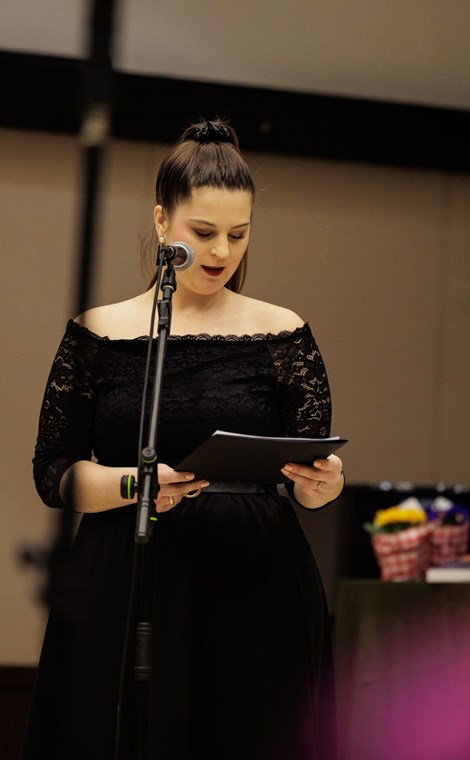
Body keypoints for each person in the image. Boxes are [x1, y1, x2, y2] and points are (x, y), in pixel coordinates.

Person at [22, 118, 344, 760]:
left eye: (238, 234)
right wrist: (135, 484)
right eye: (203, 232)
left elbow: (310, 479)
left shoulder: (283, 333)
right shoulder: (98, 332)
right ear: (162, 221)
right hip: (128, 567)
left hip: (254, 576)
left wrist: (324, 484)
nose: (222, 251)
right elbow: (52, 472)